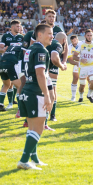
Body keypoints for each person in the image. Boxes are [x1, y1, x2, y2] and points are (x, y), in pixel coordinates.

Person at [18, 24, 53, 170]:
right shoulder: (40, 50)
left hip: (27, 90)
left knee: (32, 128)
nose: (52, 36)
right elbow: (40, 74)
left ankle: (34, 159)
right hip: (35, 92)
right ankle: (24, 160)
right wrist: (47, 95)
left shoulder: (30, 49)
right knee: (38, 129)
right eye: (49, 33)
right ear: (39, 35)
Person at [44, 9, 68, 121]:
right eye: (49, 16)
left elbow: (65, 46)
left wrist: (64, 61)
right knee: (42, 88)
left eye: (53, 17)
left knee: (53, 88)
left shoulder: (58, 30)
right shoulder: (40, 28)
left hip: (54, 62)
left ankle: (52, 114)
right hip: (42, 60)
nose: (51, 18)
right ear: (45, 17)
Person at [73, 29, 93, 103]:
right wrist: (80, 59)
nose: (89, 37)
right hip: (82, 67)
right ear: (85, 36)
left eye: (91, 35)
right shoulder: (80, 44)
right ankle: (81, 96)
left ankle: (89, 95)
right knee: (82, 85)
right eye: (88, 35)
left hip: (92, 66)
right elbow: (74, 56)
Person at [45, 32, 67, 128]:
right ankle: (47, 119)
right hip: (47, 70)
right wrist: (61, 65)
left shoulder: (45, 42)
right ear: (64, 40)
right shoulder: (58, 45)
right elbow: (54, 58)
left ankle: (27, 120)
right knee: (51, 94)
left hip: (35, 68)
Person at [0, 20, 23, 111]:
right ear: (12, 27)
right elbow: (1, 48)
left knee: (7, 84)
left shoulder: (21, 37)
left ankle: (3, 104)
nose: (19, 28)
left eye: (19, 26)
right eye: (17, 26)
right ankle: (19, 106)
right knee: (19, 85)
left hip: (6, 63)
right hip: (11, 63)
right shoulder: (6, 36)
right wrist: (4, 50)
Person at [67, 35, 80, 101]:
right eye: (72, 41)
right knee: (75, 78)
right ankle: (73, 96)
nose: (74, 42)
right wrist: (77, 63)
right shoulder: (69, 47)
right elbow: (70, 60)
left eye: (75, 40)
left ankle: (91, 95)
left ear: (77, 39)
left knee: (88, 79)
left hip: (86, 64)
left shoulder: (82, 44)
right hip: (77, 64)